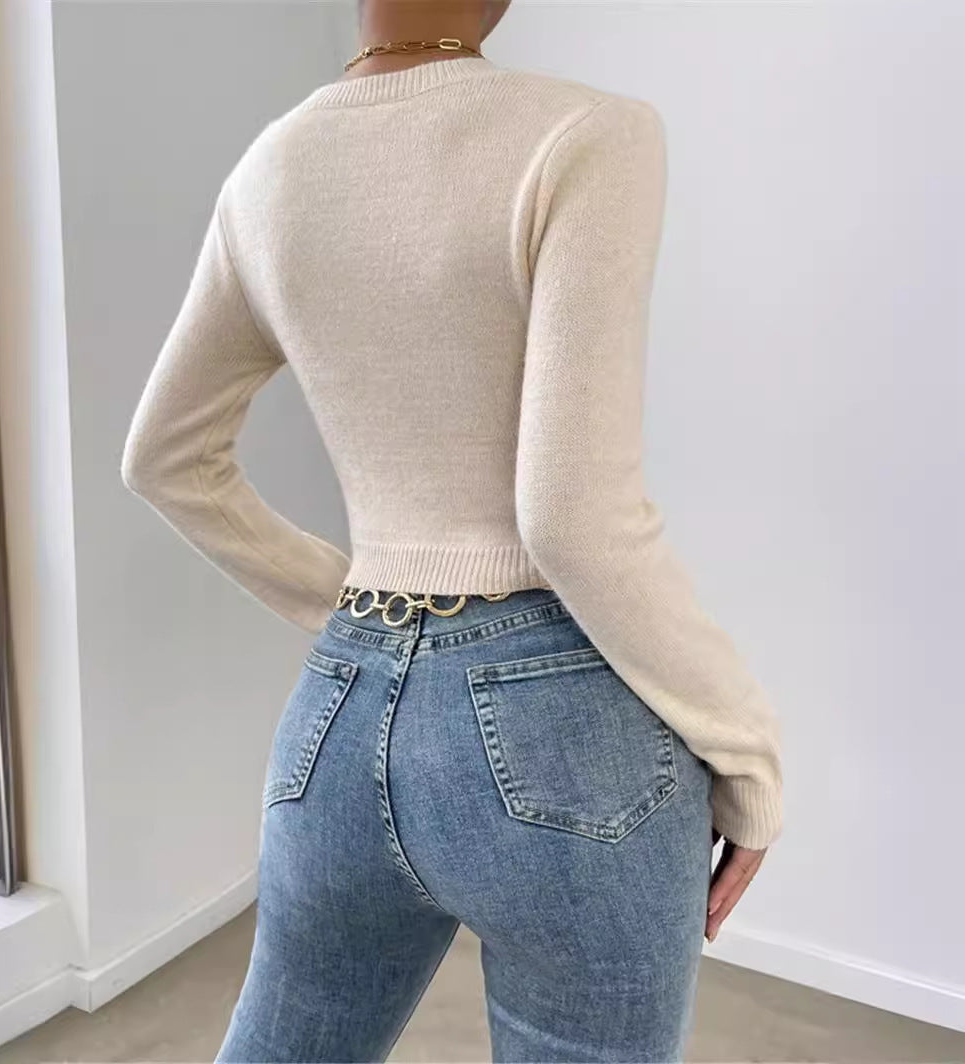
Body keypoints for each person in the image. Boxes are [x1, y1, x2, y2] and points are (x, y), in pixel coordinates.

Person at [120, 0, 784, 1059]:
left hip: (337, 716)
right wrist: (746, 754)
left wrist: (349, 603)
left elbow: (163, 458)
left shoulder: (268, 172)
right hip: (561, 731)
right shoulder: (588, 135)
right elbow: (571, 516)